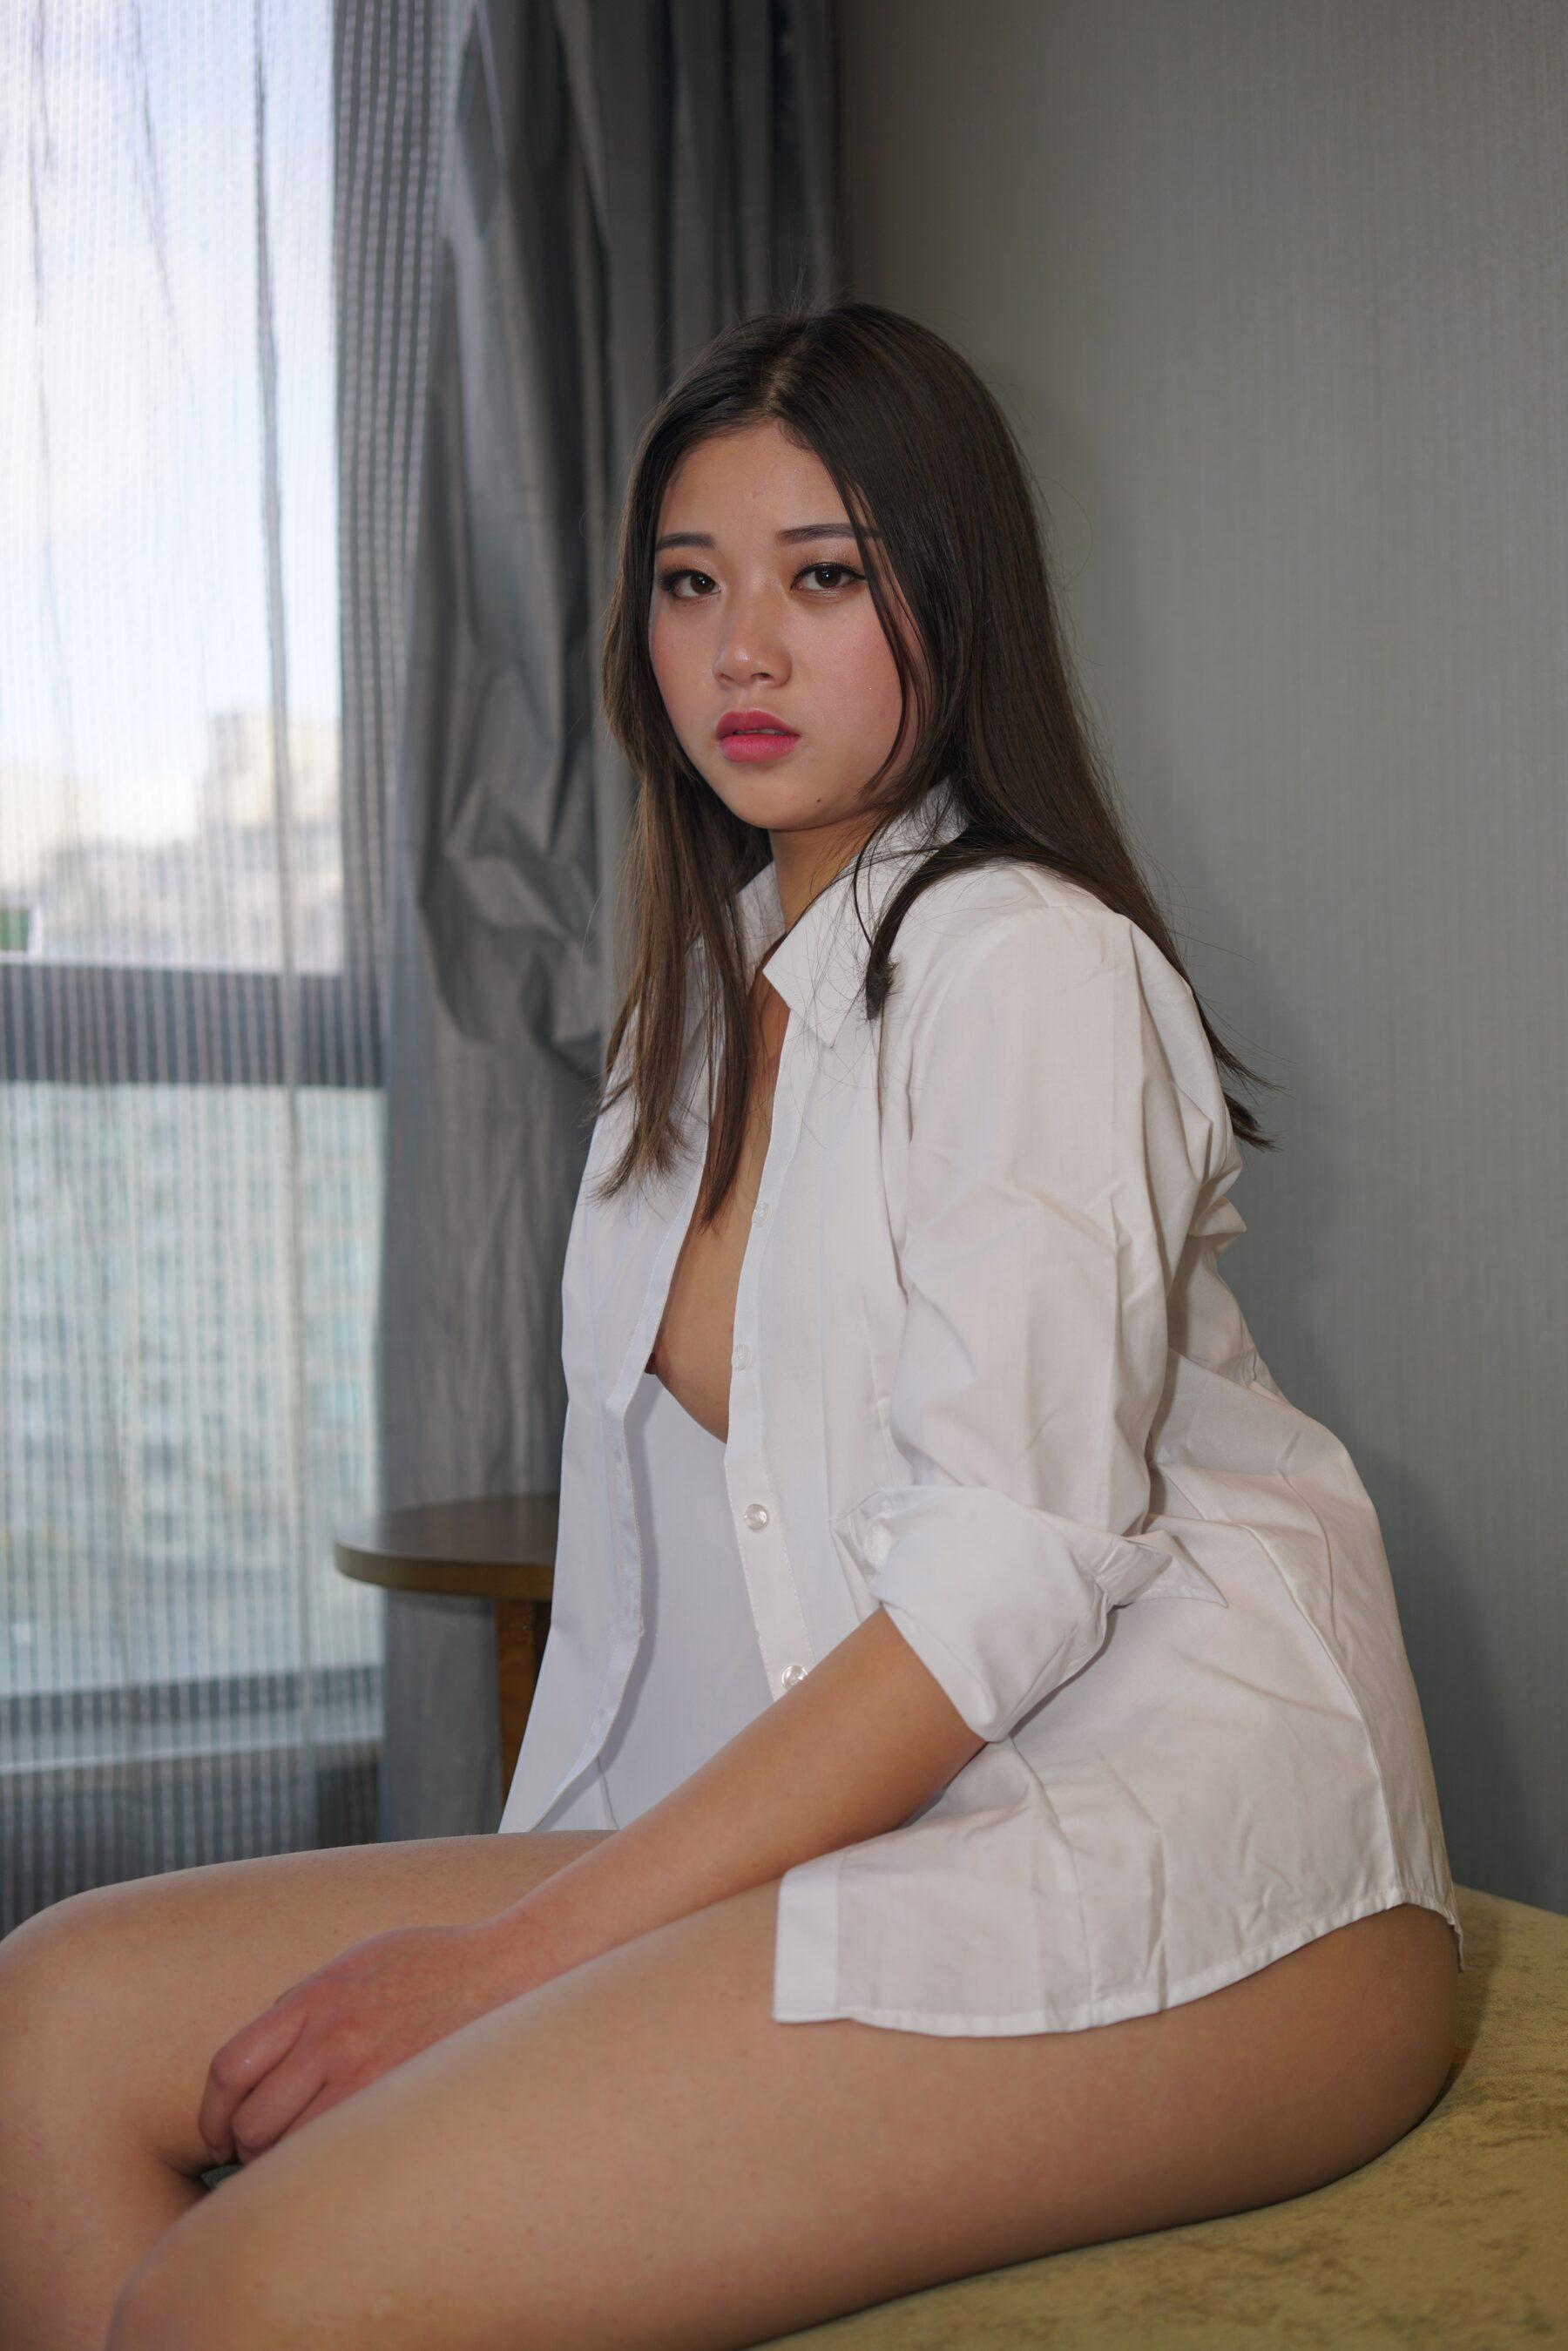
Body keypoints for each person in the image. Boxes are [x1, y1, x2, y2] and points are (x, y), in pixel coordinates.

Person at [0, 302, 1461, 2351]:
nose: (742, 651)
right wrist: (549, 1908)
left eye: (823, 577)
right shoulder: (692, 1025)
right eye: (692, 585)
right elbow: (686, 1582)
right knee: (49, 2017)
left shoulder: (1029, 965)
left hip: (1188, 1860)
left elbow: (1002, 1579)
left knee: (245, 2294)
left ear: (952, 597)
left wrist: (513, 1969)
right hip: (872, 1829)